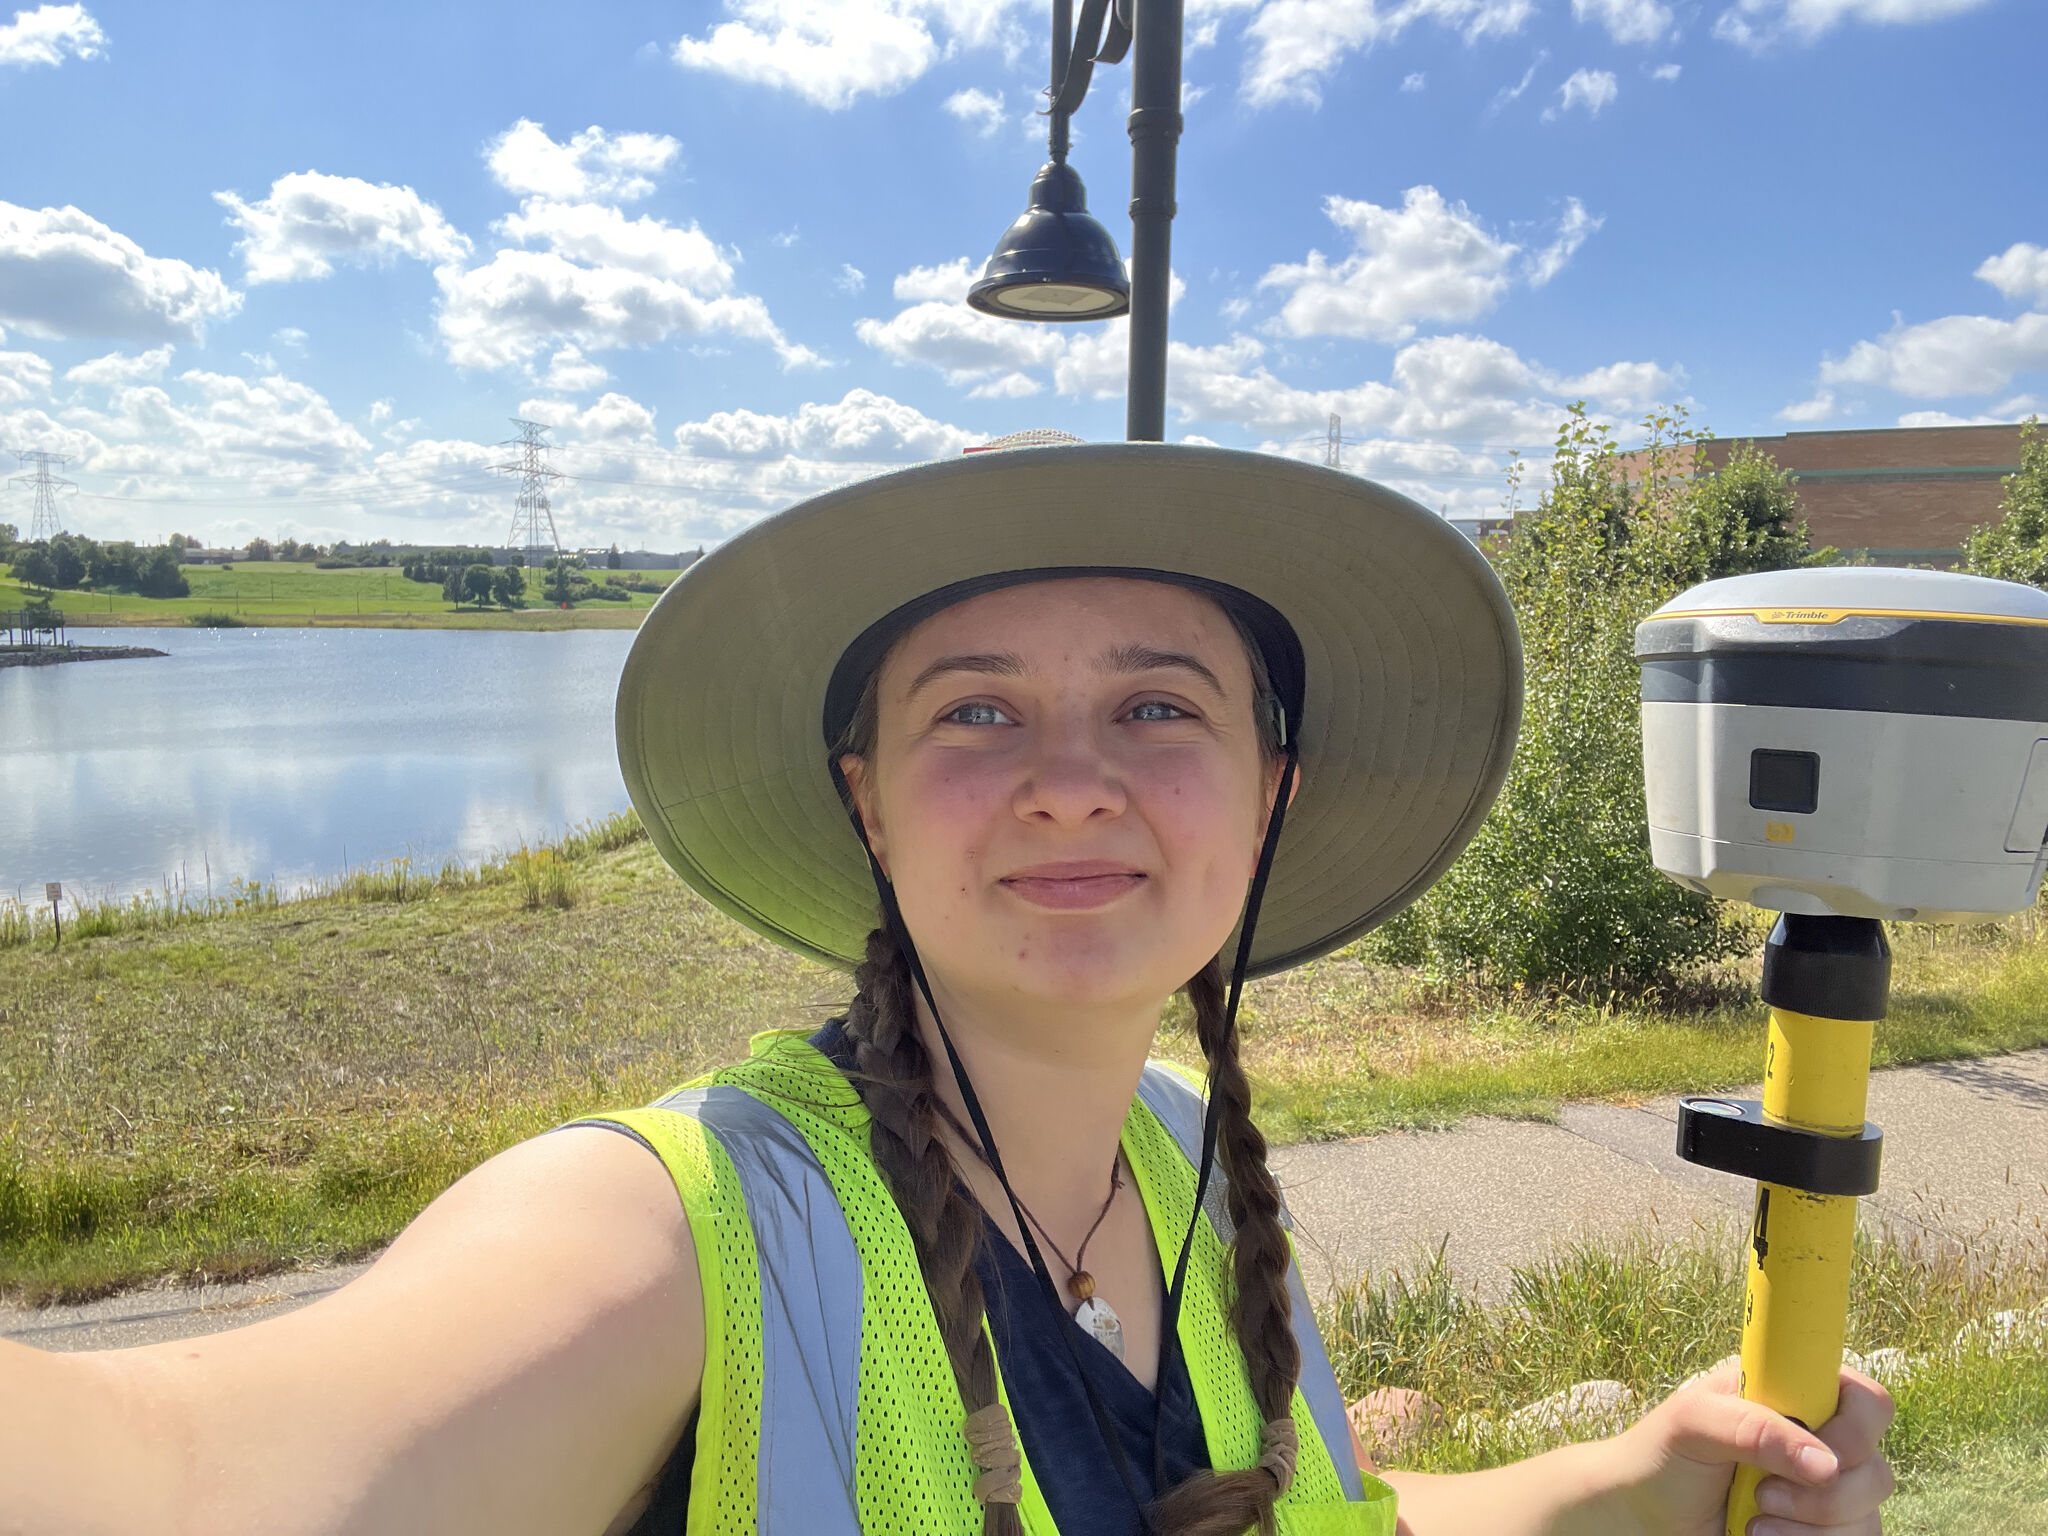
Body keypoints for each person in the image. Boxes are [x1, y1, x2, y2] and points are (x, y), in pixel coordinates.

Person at [0, 444, 1893, 1536]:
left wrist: (1625, 1477)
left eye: (1160, 705)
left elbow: (1315, 1522)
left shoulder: (1187, 1166)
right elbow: (175, 1483)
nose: (1073, 776)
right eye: (976, 711)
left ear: (1267, 792)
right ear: (867, 802)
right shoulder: (672, 1234)